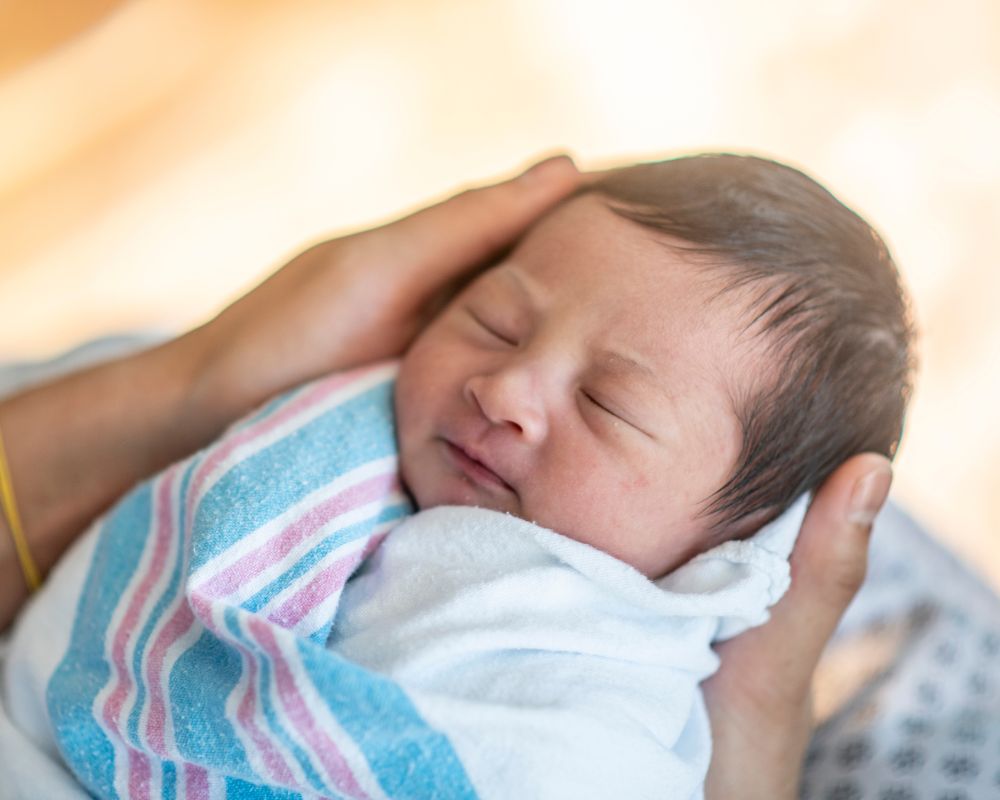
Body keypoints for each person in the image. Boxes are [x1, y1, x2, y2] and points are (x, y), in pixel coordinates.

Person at [0, 155, 895, 798]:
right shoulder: (341, 432)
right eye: (496, 321)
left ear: (740, 543)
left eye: (608, 405)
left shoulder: (594, 705)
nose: (503, 388)